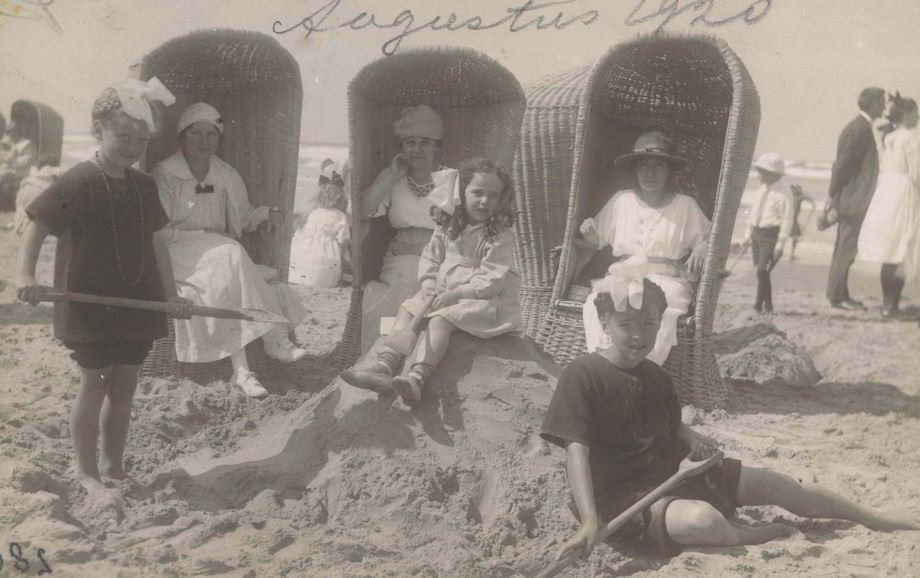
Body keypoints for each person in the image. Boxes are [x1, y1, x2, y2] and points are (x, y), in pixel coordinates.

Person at [540, 273, 918, 562]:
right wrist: (590, 521)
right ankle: (750, 535)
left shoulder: (655, 374)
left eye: (648, 324)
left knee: (777, 485)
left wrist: (690, 439)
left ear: (661, 324)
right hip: (620, 499)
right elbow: (577, 454)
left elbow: (668, 424)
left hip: (671, 471)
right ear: (605, 323)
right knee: (701, 521)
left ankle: (873, 516)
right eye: (626, 325)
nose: (638, 336)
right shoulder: (584, 374)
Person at [15, 79, 191, 518]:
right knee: (93, 384)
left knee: (126, 385)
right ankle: (85, 469)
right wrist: (24, 275)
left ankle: (114, 464)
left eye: (141, 139)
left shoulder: (144, 186)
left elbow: (157, 244)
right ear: (98, 130)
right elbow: (36, 226)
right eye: (123, 136)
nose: (132, 146)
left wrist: (171, 295)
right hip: (89, 303)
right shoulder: (79, 180)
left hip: (137, 300)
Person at [152, 102, 308, 398]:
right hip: (177, 247)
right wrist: (208, 238)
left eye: (211, 134)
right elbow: (158, 226)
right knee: (232, 253)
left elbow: (244, 216)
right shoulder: (165, 173)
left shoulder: (224, 173)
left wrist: (267, 212)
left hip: (217, 249)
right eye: (195, 134)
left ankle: (242, 371)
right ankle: (275, 337)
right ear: (183, 137)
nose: (204, 141)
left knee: (227, 270)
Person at [342, 158, 521, 405]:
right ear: (461, 192)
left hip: (482, 299)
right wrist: (428, 283)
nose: (484, 201)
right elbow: (431, 257)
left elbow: (492, 280)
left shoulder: (499, 235)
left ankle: (418, 375)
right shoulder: (449, 225)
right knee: (407, 308)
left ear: (501, 199)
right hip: (444, 291)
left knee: (440, 320)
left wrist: (456, 294)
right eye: (477, 192)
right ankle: (386, 364)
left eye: (493, 196)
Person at [579, 131, 709, 366]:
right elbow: (597, 241)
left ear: (668, 171)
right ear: (636, 170)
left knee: (656, 309)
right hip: (622, 275)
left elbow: (711, 238)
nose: (650, 174)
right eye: (644, 167)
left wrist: (705, 245)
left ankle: (645, 368)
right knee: (597, 303)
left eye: (658, 167)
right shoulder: (622, 200)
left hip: (666, 280)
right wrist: (589, 232)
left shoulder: (685, 205)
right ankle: (604, 364)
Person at [357, 105, 457, 353]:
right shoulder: (394, 179)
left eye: (425, 142)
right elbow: (362, 210)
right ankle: (381, 357)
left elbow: (459, 231)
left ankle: (399, 357)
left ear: (437, 146)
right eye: (409, 143)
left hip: (440, 259)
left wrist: (421, 244)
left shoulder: (450, 179)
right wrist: (389, 177)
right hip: (400, 261)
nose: (416, 149)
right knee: (390, 300)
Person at [857, 95, 919, 318]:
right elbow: (916, 174)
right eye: (916, 113)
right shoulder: (909, 138)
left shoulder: (888, 136)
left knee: (889, 250)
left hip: (886, 194)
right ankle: (892, 306)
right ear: (908, 114)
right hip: (904, 196)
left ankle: (887, 305)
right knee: (901, 250)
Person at [826, 87, 887, 310]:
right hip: (854, 200)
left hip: (852, 198)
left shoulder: (860, 127)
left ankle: (839, 295)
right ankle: (838, 297)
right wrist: (834, 194)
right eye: (881, 102)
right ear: (871, 104)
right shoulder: (859, 129)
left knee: (845, 248)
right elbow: (842, 166)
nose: (884, 106)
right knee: (846, 249)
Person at [742, 153, 794, 314]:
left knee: (762, 271)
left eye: (762, 172)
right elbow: (754, 213)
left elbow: (787, 220)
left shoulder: (784, 193)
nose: (759, 175)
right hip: (757, 233)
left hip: (771, 235)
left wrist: (780, 245)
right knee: (762, 272)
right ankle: (768, 305)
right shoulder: (762, 189)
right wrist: (747, 235)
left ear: (773, 174)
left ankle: (758, 306)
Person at [289, 160, 350, 287]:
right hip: (324, 261)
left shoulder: (313, 212)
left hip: (302, 254)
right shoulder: (341, 217)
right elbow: (343, 242)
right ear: (340, 198)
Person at [14, 154, 59, 234]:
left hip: (20, 216)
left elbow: (18, 201)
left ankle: (21, 225)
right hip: (36, 221)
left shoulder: (29, 180)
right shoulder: (51, 183)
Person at [0, 121, 38, 210]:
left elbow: (26, 161)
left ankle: (4, 203)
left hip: (23, 171)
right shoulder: (8, 143)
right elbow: (2, 158)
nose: (12, 134)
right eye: (10, 132)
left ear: (18, 132)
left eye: (14, 132)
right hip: (8, 168)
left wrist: (11, 160)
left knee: (2, 175)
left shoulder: (28, 144)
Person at [787, 183, 814, 262]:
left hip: (790, 218)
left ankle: (791, 254)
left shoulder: (792, 197)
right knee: (795, 237)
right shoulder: (799, 197)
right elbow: (809, 198)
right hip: (792, 219)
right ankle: (791, 254)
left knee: (793, 237)